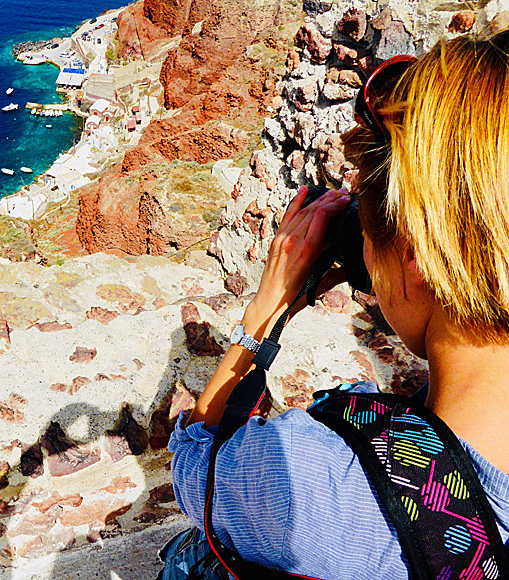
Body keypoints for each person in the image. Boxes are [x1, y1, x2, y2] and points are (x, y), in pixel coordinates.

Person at [164, 31, 509, 579]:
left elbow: (196, 470)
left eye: (372, 235)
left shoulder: (310, 478)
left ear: (419, 253)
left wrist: (264, 313)